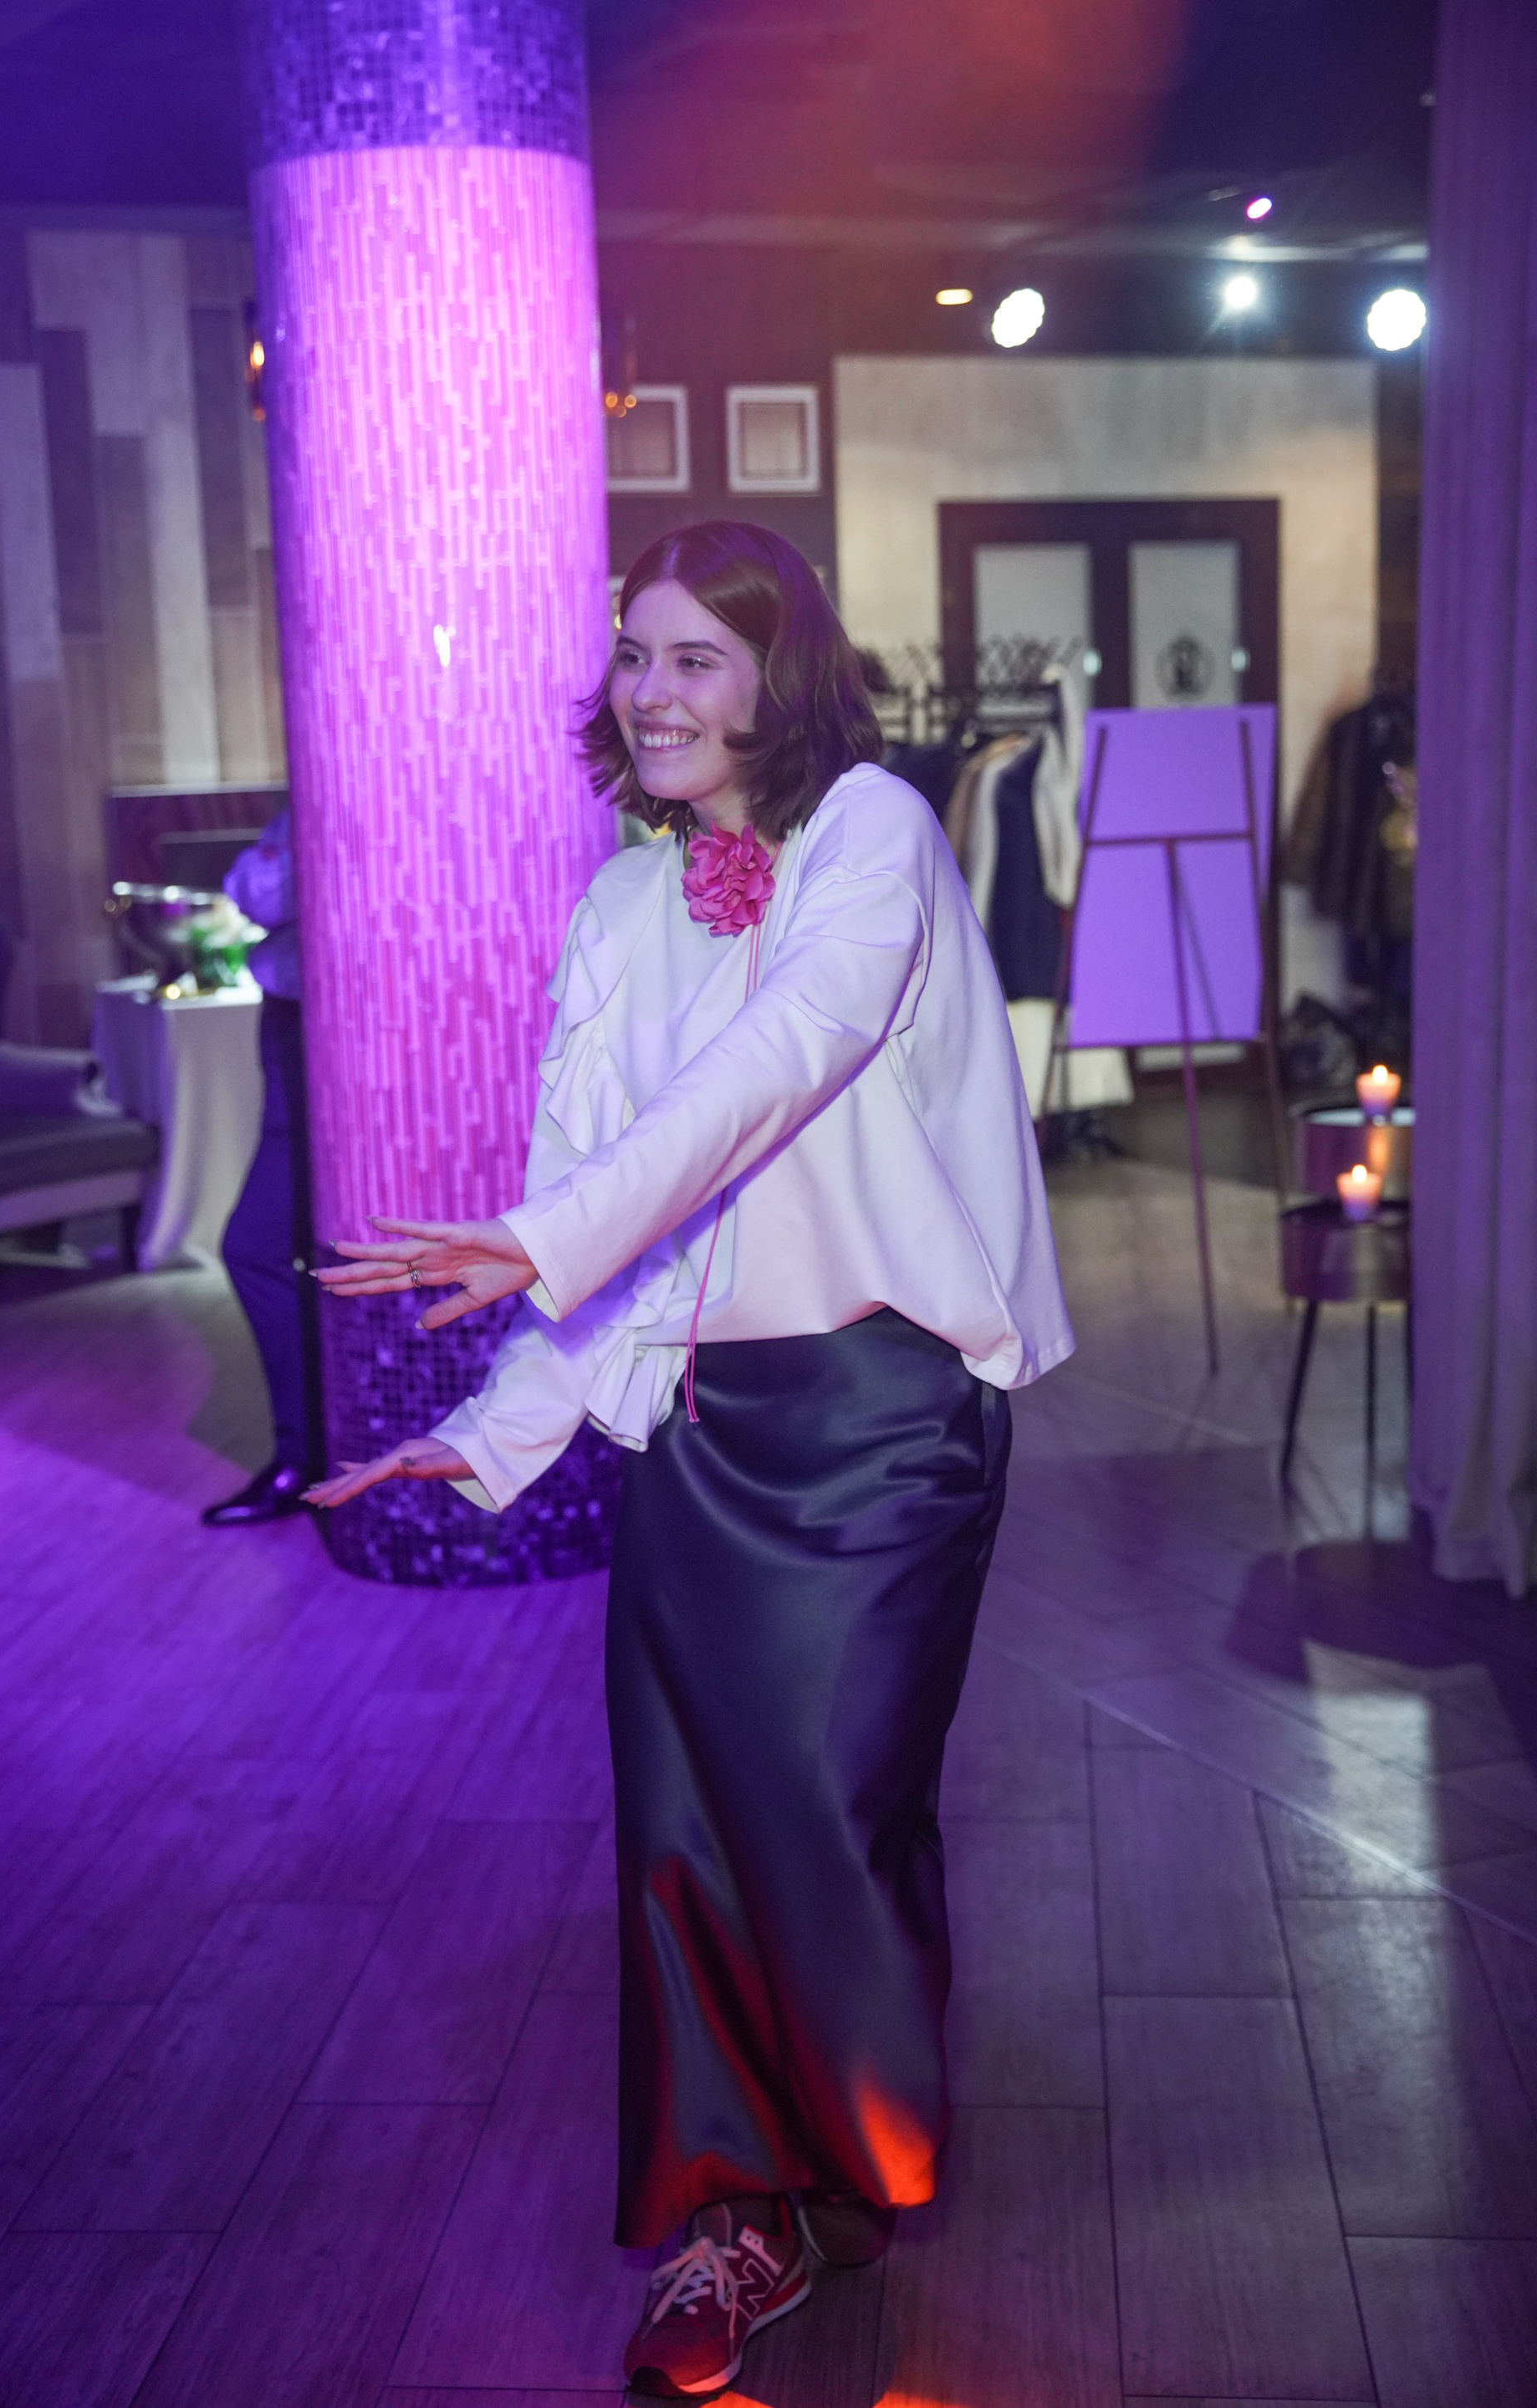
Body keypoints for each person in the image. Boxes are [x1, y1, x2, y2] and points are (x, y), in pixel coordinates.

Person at [308, 523, 1072, 2397]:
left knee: (827, 1803)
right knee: (681, 1829)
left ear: (776, 677)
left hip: (885, 1419)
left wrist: (543, 1231)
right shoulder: (617, 906)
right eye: (636, 655)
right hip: (698, 1433)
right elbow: (603, 1200)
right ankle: (736, 2211)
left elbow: (786, 1056)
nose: (654, 691)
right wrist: (486, 1430)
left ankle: (853, 2147)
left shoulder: (875, 827)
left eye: (696, 657)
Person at [202, 805, 322, 1526]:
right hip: (285, 1024)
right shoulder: (301, 794)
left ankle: (310, 1452)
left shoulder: (348, 787)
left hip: (337, 1028)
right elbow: (249, 890)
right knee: (263, 1246)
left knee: (261, 1244)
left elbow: (265, 893)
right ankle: (304, 1451)